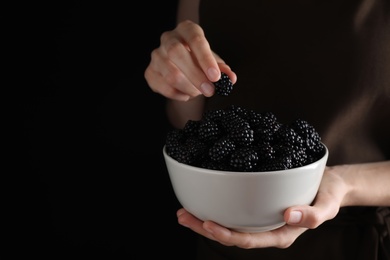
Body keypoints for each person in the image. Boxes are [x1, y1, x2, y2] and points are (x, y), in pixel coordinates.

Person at [144, 0, 390, 259]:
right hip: (225, 241)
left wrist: (345, 184)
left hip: (354, 245)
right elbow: (188, 119)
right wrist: (178, 75)